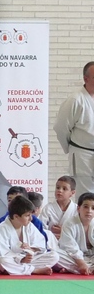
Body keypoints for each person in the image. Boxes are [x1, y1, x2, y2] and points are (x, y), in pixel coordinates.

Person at [53, 61, 94, 195]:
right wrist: (70, 147)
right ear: (85, 79)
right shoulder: (76, 100)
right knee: (86, 196)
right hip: (83, 155)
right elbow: (61, 128)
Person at [0, 193, 59, 276]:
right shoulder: (2, 229)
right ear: (16, 216)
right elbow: (2, 254)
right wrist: (21, 259)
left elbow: (40, 244)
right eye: (27, 215)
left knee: (54, 256)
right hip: (13, 260)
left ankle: (19, 269)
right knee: (2, 261)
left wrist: (31, 249)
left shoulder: (29, 225)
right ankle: (34, 270)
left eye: (31, 214)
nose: (31, 218)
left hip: (28, 260)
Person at [57, 192, 94, 275]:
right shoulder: (69, 223)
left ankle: (75, 269)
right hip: (74, 258)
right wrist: (81, 263)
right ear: (78, 208)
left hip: (91, 257)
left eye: (93, 208)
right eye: (86, 207)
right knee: (55, 255)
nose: (89, 211)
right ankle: (87, 268)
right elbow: (69, 246)